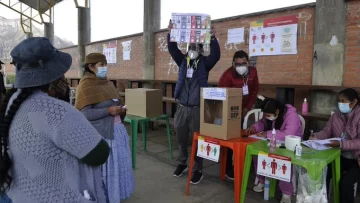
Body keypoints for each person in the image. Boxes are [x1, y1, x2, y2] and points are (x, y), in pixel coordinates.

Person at [0, 37, 110, 203]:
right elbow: (99, 154)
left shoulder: (12, 101)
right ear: (53, 74)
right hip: (53, 195)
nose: (64, 79)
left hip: (15, 193)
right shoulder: (55, 110)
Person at [75, 53, 135, 203]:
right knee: (105, 173)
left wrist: (121, 108)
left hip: (118, 133)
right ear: (91, 67)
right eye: (101, 65)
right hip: (102, 136)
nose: (105, 68)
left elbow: (116, 102)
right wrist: (108, 111)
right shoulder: (85, 85)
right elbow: (85, 114)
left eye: (105, 64)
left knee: (119, 169)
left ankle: (116, 197)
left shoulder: (108, 83)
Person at [167, 20, 221, 184]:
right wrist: (171, 33)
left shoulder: (205, 63)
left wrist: (212, 38)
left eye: (196, 47)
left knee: (198, 139)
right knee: (181, 138)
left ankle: (198, 168)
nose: (192, 50)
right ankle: (182, 163)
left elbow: (216, 55)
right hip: (182, 107)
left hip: (198, 108)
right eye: (190, 47)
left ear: (201, 49)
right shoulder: (183, 61)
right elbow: (172, 49)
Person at [247, 98, 302, 203]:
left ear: (277, 111)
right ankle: (262, 180)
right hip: (273, 141)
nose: (267, 117)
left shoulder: (291, 115)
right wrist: (254, 128)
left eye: (268, 115)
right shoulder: (270, 112)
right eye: (266, 114)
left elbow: (288, 134)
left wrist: (266, 134)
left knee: (283, 159)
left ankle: (286, 193)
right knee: (257, 152)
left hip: (289, 144)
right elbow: (262, 123)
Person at [310, 88, 360, 203]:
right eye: (339, 101)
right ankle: (323, 200)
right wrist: (316, 136)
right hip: (339, 156)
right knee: (323, 174)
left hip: (357, 159)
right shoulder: (336, 116)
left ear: (354, 102)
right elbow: (327, 131)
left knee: (345, 183)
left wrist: (341, 144)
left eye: (343, 101)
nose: (340, 104)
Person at [218, 50, 259, 180]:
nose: (241, 66)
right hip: (231, 111)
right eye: (238, 64)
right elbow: (222, 95)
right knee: (230, 139)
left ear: (248, 63)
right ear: (233, 64)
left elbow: (254, 90)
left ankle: (240, 163)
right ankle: (227, 168)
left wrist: (248, 107)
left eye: (244, 63)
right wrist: (232, 112)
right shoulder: (227, 76)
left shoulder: (253, 72)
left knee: (240, 138)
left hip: (244, 109)